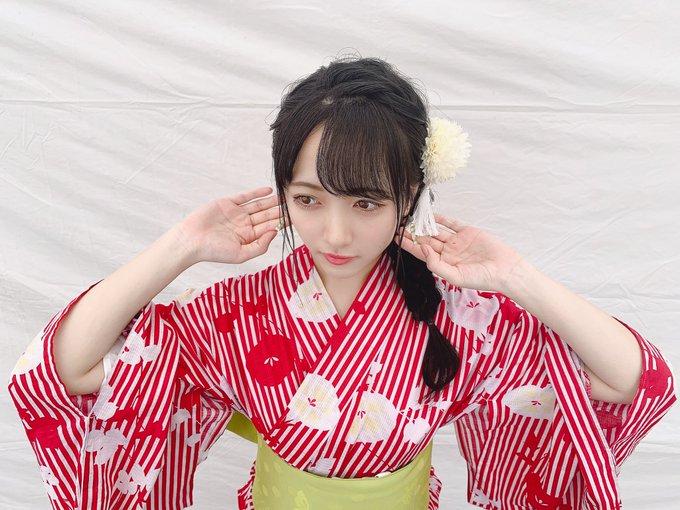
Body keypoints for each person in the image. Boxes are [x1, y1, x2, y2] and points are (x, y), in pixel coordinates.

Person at [8, 56, 676, 510]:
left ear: (409, 197)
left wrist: (516, 277)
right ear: (282, 193)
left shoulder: (461, 316)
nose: (334, 234)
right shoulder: (236, 311)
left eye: (365, 204)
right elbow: (63, 372)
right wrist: (180, 247)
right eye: (307, 200)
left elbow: (633, 381)